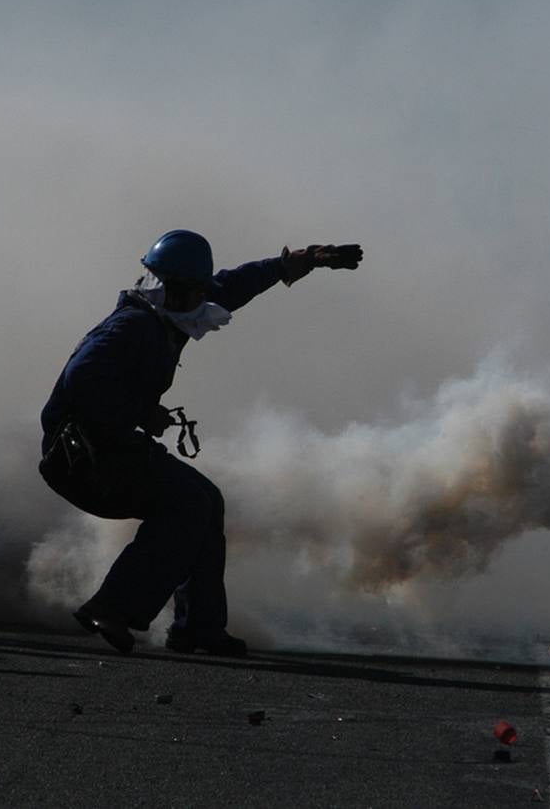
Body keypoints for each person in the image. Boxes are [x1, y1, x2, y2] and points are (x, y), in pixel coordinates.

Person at [39, 230, 363, 655]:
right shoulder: (132, 327)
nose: (200, 298)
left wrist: (294, 264)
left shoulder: (168, 313)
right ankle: (113, 607)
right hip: (81, 460)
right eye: (190, 291)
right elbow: (80, 382)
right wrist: (141, 412)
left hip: (107, 449)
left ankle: (198, 627)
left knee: (207, 500)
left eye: (198, 290)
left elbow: (232, 285)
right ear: (168, 288)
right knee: (188, 502)